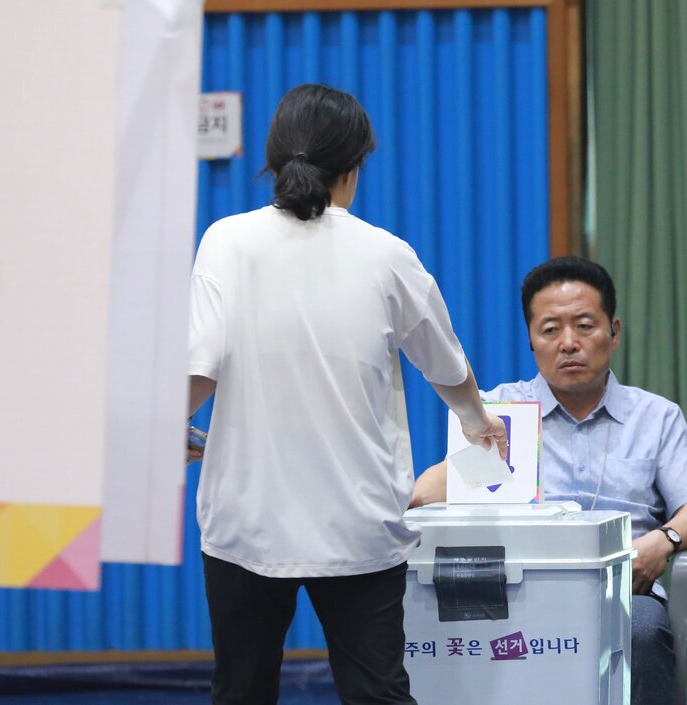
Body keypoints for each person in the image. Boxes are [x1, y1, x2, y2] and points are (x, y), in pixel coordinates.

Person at [186, 84, 507, 705]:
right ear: (354, 167)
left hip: (246, 522)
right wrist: (477, 421)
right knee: (377, 693)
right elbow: (447, 367)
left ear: (274, 160)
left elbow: (199, 370)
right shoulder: (387, 255)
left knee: (241, 693)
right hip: (359, 526)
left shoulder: (226, 241)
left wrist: (167, 434)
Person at [411, 256, 687, 705]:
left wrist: (663, 541)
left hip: (621, 593)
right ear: (531, 340)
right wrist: (446, 476)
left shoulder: (656, 417)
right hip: (516, 591)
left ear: (614, 332)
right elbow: (434, 492)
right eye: (550, 330)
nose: (569, 343)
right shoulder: (499, 412)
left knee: (643, 631)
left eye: (585, 326)